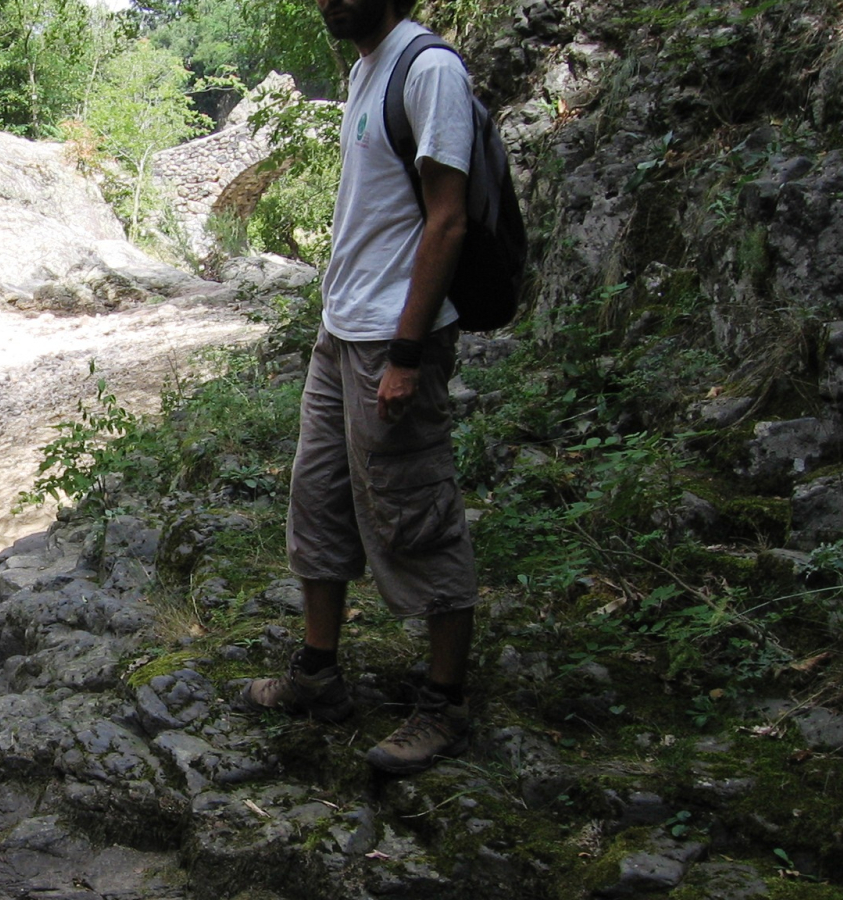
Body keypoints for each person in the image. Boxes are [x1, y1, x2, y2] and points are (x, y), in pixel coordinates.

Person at [240, 0, 481, 776]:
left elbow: (446, 221)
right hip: (341, 332)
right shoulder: (364, 70)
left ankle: (445, 706)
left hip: (392, 338)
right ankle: (319, 676)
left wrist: (408, 352)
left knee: (414, 511)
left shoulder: (430, 69)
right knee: (318, 501)